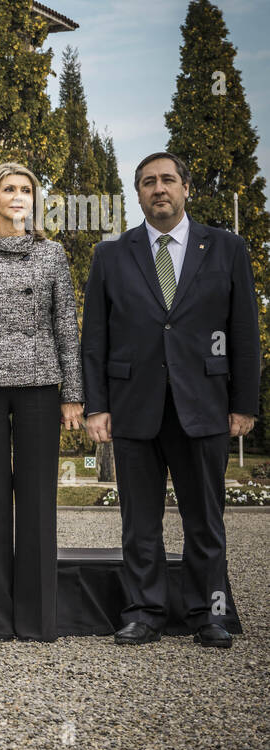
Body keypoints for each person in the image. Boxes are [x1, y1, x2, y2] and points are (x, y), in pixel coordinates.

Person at [83, 152, 259, 649]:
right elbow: (94, 339)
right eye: (147, 182)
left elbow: (243, 330)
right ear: (136, 194)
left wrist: (244, 404)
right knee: (139, 521)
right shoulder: (111, 255)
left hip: (203, 406)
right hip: (134, 408)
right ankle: (144, 611)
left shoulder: (226, 248)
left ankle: (210, 614)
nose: (158, 189)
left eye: (167, 180)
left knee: (205, 519)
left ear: (186, 188)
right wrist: (96, 406)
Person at [0, 162, 83, 642]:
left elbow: (66, 326)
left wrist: (73, 395)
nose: (18, 195)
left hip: (39, 382)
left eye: (26, 189)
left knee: (37, 500)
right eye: (9, 188)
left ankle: (35, 618)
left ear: (35, 200)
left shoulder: (53, 256)